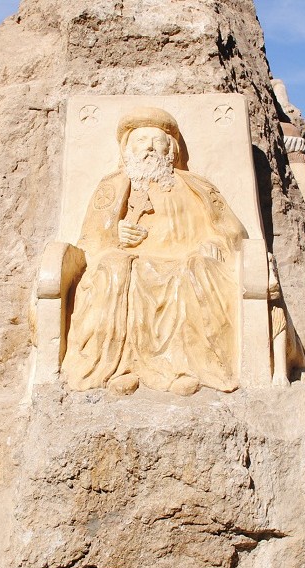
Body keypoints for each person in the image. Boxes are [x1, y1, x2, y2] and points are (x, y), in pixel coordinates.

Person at [61, 107, 246, 396]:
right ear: (127, 150)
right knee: (113, 270)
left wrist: (212, 243)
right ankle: (118, 368)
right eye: (140, 141)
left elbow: (231, 232)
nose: (149, 147)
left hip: (182, 261)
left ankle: (185, 369)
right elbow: (89, 242)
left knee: (194, 272)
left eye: (157, 141)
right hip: (130, 263)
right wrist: (114, 234)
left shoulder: (195, 186)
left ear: (170, 150)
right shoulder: (112, 186)